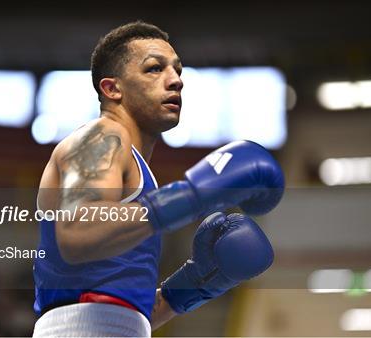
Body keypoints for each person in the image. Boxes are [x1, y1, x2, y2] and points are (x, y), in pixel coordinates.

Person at [32, 21, 284, 337]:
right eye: (154, 69)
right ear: (112, 89)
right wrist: (191, 197)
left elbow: (123, 314)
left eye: (178, 70)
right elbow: (78, 232)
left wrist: (195, 283)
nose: (175, 80)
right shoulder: (99, 139)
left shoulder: (136, 176)